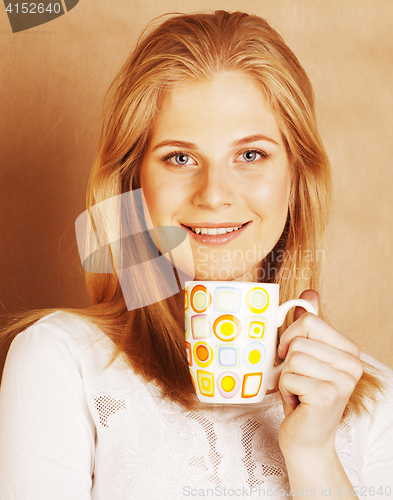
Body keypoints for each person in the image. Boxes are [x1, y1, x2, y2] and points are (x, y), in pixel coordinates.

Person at [0, 10, 392, 500]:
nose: (213, 195)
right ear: (134, 183)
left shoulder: (374, 397)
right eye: (180, 158)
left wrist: (314, 455)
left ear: (296, 179)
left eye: (250, 155)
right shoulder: (61, 362)